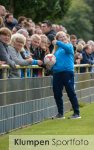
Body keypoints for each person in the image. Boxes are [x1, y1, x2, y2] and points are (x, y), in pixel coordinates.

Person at [51, 31, 81, 119]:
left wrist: (58, 42)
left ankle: (76, 113)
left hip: (67, 72)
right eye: (60, 37)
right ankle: (60, 113)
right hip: (57, 73)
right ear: (57, 38)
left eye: (64, 36)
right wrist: (51, 66)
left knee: (70, 92)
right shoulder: (56, 51)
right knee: (57, 94)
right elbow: (54, 62)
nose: (63, 37)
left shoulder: (69, 46)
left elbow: (67, 49)